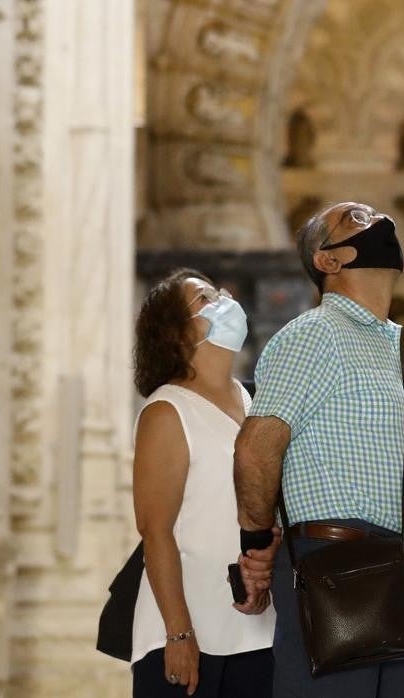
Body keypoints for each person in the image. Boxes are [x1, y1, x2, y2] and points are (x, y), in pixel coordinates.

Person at [231, 202, 404, 698]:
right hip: (336, 570)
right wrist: (256, 544)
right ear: (328, 260)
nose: (380, 222)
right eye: (356, 219)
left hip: (390, 572)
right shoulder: (314, 334)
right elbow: (256, 450)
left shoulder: (379, 346)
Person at [130, 269, 278, 697]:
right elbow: (155, 531)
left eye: (219, 291)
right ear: (176, 334)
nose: (224, 299)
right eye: (205, 298)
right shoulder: (167, 411)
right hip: (185, 633)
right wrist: (178, 634)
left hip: (256, 631)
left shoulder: (254, 402)